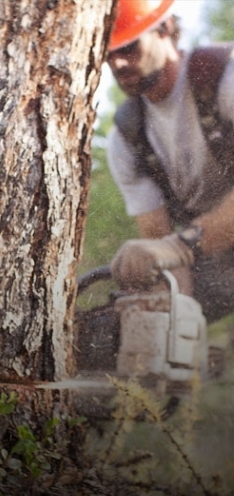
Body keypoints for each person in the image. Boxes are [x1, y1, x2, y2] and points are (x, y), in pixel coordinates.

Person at [106, 0, 234, 323]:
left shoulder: (225, 79)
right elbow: (158, 243)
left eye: (129, 47)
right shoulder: (127, 137)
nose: (118, 63)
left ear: (166, 29)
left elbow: (173, 246)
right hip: (213, 251)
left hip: (199, 241)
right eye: (107, 55)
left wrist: (179, 246)